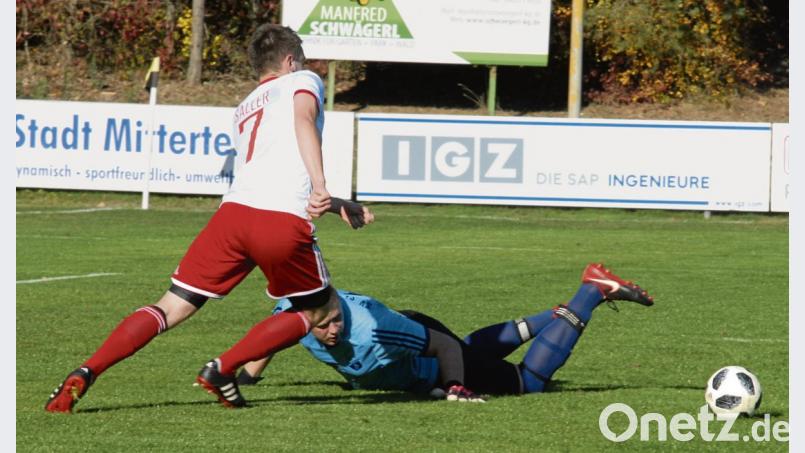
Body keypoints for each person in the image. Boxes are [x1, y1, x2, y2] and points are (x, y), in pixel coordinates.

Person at [45, 24, 373, 413]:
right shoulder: (303, 80)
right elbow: (304, 121)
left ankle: (87, 370)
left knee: (171, 306)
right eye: (299, 60)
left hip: (231, 218)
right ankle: (223, 369)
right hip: (278, 219)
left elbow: (271, 168)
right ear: (290, 60)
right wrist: (322, 186)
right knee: (322, 311)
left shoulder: (246, 106)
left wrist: (334, 203)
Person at [233, 263, 654, 401]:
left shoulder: (368, 330)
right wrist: (249, 373)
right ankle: (560, 314)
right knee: (473, 351)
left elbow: (441, 346)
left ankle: (590, 294)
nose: (332, 330)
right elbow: (275, 332)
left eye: (335, 320)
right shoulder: (298, 311)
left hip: (419, 342)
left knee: (527, 383)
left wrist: (453, 388)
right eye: (322, 325)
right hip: (415, 337)